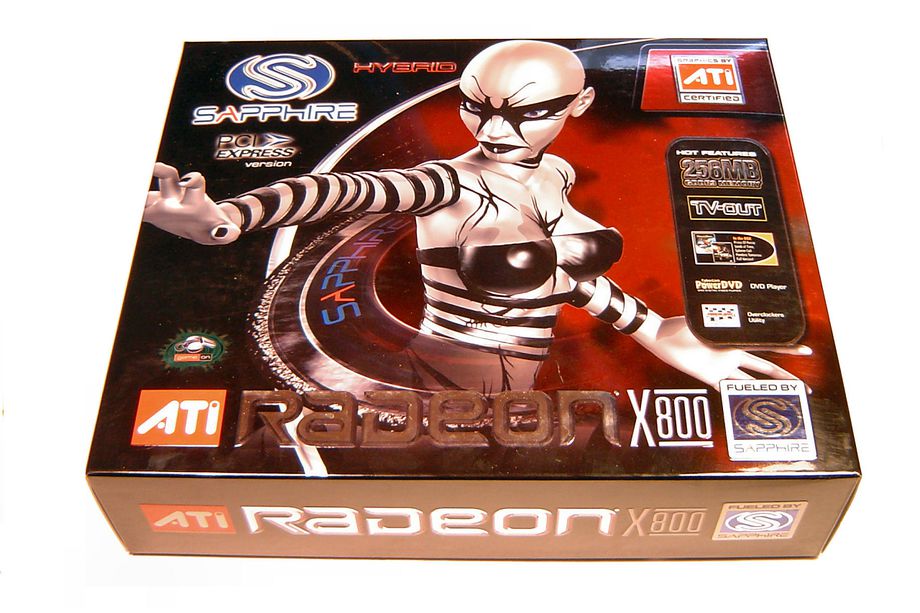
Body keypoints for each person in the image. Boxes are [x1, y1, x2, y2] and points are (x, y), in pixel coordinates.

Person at [145, 40, 807, 393]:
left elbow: (563, 275)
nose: (493, 131)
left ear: (578, 105)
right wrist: (226, 218)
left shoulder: (556, 174)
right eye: (476, 107)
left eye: (527, 114)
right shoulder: (444, 182)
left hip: (518, 392)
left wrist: (651, 328)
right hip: (431, 384)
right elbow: (339, 191)